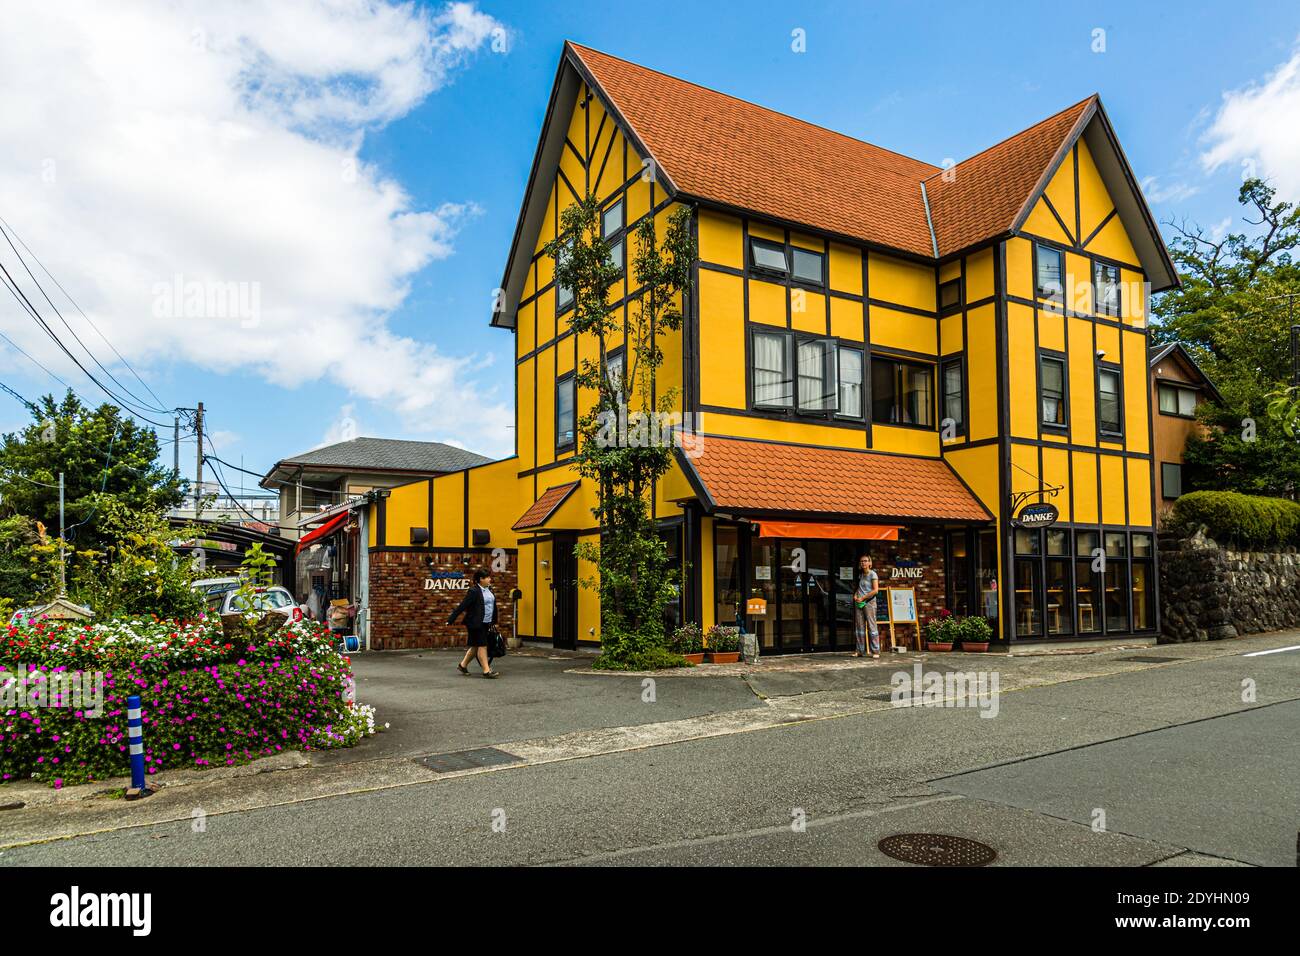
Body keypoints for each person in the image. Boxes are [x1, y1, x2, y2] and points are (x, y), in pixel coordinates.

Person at [449, 569, 500, 678]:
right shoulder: (474, 591)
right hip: (475, 623)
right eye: (488, 577)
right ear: (481, 579)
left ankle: (463, 665)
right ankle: (486, 671)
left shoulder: (489, 589)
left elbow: (492, 606)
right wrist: (451, 619)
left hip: (486, 622)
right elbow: (463, 605)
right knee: (482, 645)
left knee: (475, 646)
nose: (490, 579)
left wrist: (493, 621)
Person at [853, 554, 881, 659]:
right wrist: (855, 595)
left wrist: (863, 597)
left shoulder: (873, 574)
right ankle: (860, 651)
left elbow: (875, 590)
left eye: (865, 561)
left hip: (869, 603)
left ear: (870, 563)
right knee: (859, 627)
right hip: (859, 603)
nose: (863, 563)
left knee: (871, 626)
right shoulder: (861, 575)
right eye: (861, 561)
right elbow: (859, 588)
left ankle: (875, 651)